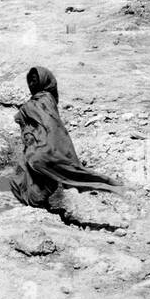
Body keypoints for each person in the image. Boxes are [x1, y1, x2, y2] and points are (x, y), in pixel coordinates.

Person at [11, 66, 123, 208]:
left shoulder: (38, 102)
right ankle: (114, 187)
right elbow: (55, 130)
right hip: (46, 153)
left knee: (28, 180)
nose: (32, 84)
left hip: (36, 153)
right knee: (72, 175)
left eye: (34, 80)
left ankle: (39, 207)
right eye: (30, 81)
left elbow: (38, 128)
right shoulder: (47, 100)